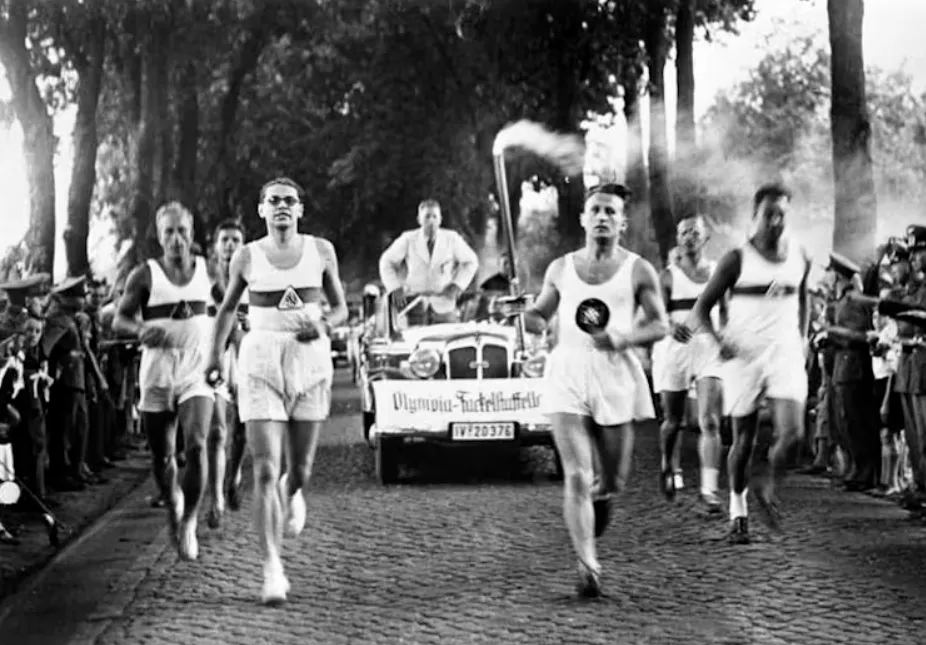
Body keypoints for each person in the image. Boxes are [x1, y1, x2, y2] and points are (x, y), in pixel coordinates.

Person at [518, 183, 668, 598]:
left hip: (615, 372)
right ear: (583, 219)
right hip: (567, 369)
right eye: (595, 210)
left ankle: (598, 504)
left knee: (612, 481)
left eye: (610, 212)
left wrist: (622, 337)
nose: (602, 217)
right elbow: (538, 317)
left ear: (622, 222)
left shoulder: (639, 270)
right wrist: (523, 312)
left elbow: (661, 325)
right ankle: (587, 562)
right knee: (578, 476)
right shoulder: (560, 268)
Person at [207, 176, 348, 605]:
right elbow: (228, 309)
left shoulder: (321, 251)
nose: (282, 207)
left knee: (299, 469)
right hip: (261, 363)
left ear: (300, 210)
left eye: (290, 201)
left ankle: (295, 488)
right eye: (274, 201)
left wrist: (323, 324)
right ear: (261, 209)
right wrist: (213, 357)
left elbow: (340, 307)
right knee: (264, 469)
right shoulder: (246, 257)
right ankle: (272, 569)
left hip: (309, 363)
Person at [691, 183, 811, 545]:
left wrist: (802, 339)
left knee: (793, 434)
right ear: (754, 216)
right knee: (742, 438)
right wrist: (719, 340)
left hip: (785, 351)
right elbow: (701, 308)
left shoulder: (800, 255)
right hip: (743, 354)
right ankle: (738, 510)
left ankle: (767, 486)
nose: (775, 221)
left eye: (781, 215)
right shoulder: (736, 259)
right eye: (768, 214)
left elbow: (804, 298)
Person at [113, 202, 216, 561]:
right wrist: (140, 329)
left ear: (192, 234)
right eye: (169, 232)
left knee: (198, 445)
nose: (176, 239)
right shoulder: (144, 275)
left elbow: (232, 304)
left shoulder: (209, 269)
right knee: (163, 456)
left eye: (182, 231)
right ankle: (172, 499)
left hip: (196, 371)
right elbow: (119, 320)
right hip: (157, 372)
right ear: (159, 237)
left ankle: (189, 520)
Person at [653, 212, 726, 513]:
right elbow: (653, 316)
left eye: (695, 232)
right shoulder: (667, 276)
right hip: (675, 348)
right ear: (678, 240)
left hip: (708, 346)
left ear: (706, 238)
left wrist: (727, 339)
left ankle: (709, 490)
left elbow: (728, 310)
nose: (690, 237)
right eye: (684, 233)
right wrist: (670, 327)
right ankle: (669, 465)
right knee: (674, 421)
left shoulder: (718, 272)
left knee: (709, 421)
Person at [378, 199, 478, 325]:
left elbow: (471, 261)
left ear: (440, 219)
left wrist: (457, 285)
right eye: (427, 217)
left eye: (435, 217)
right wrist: (395, 288)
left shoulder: (452, 239)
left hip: (444, 303)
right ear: (419, 220)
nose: (431, 221)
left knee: (447, 339)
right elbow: (386, 262)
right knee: (416, 340)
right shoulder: (408, 239)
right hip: (416, 303)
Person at [208, 219, 250, 514]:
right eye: (225, 240)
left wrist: (251, 323)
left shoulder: (253, 279)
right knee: (218, 428)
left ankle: (233, 475)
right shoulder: (206, 281)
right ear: (216, 246)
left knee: (242, 428)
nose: (230, 245)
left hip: (245, 357)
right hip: (216, 358)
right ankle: (218, 494)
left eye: (235, 239)